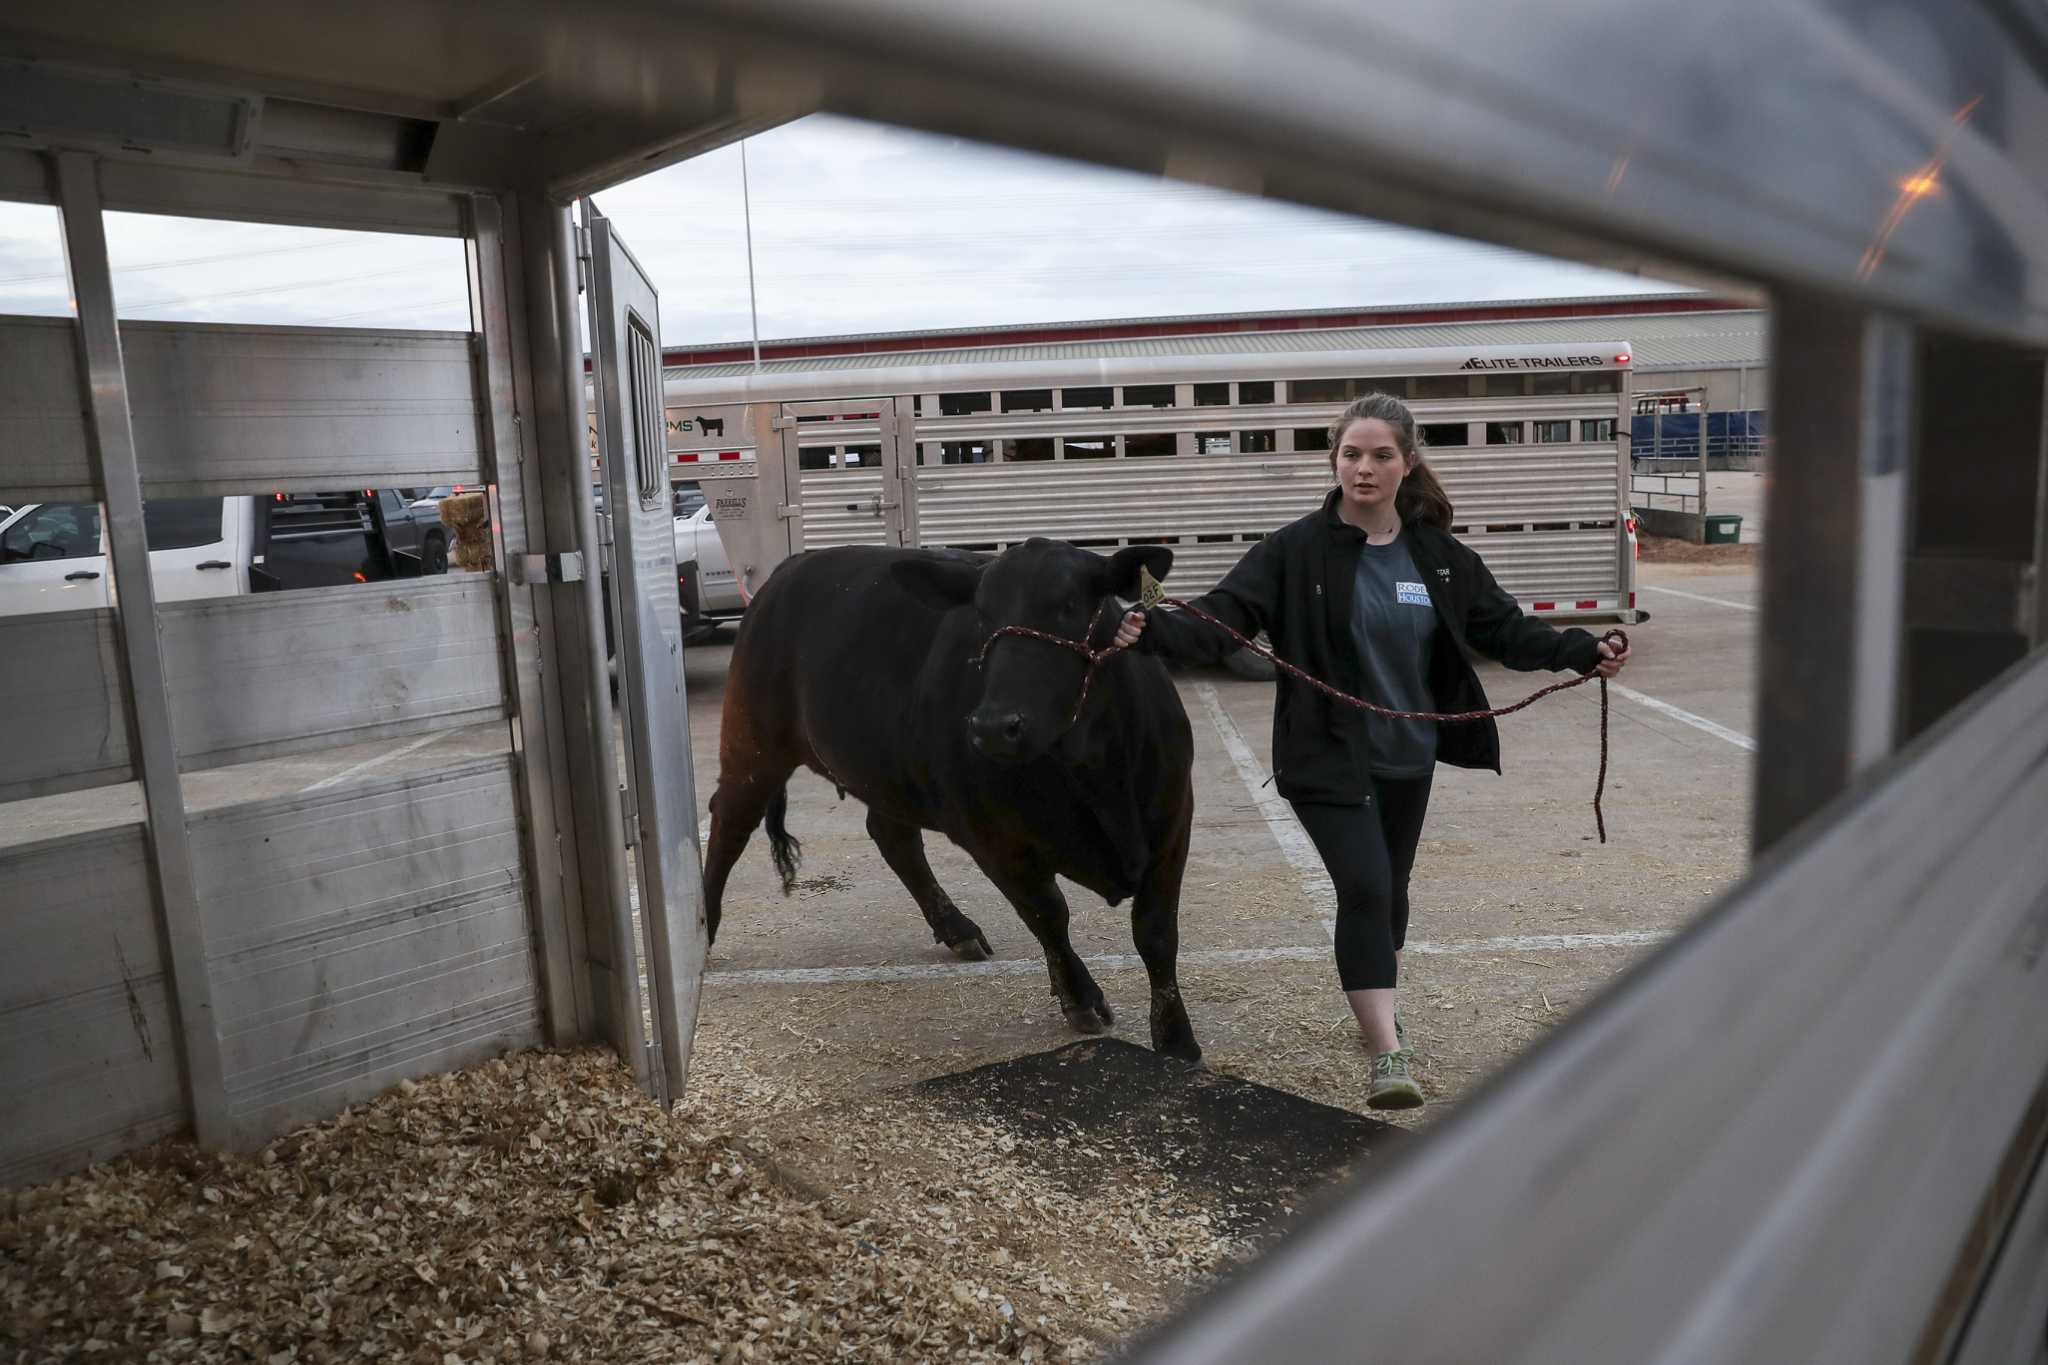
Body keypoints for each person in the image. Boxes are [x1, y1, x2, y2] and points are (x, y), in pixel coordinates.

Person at [1115, 393, 1630, 1109]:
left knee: (1391, 898)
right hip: (1324, 755)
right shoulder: (1294, 550)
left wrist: (1582, 649)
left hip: (1407, 756)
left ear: (1407, 462)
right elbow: (1222, 621)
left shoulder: (1437, 556)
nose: (1365, 467)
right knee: (1365, 887)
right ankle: (1390, 1053)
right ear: (1334, 461)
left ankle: (1373, 1000)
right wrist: (1152, 626)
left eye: (1381, 454)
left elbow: (1508, 629)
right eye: (1352, 454)